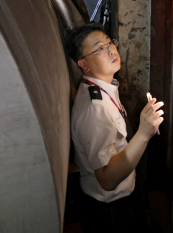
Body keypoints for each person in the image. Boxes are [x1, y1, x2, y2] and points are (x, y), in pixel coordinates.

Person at [65, 24, 164, 233]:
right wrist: (144, 133)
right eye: (99, 49)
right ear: (84, 64)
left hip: (119, 201)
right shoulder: (95, 108)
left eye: (110, 43)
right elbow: (107, 180)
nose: (111, 50)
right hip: (110, 212)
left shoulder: (101, 86)